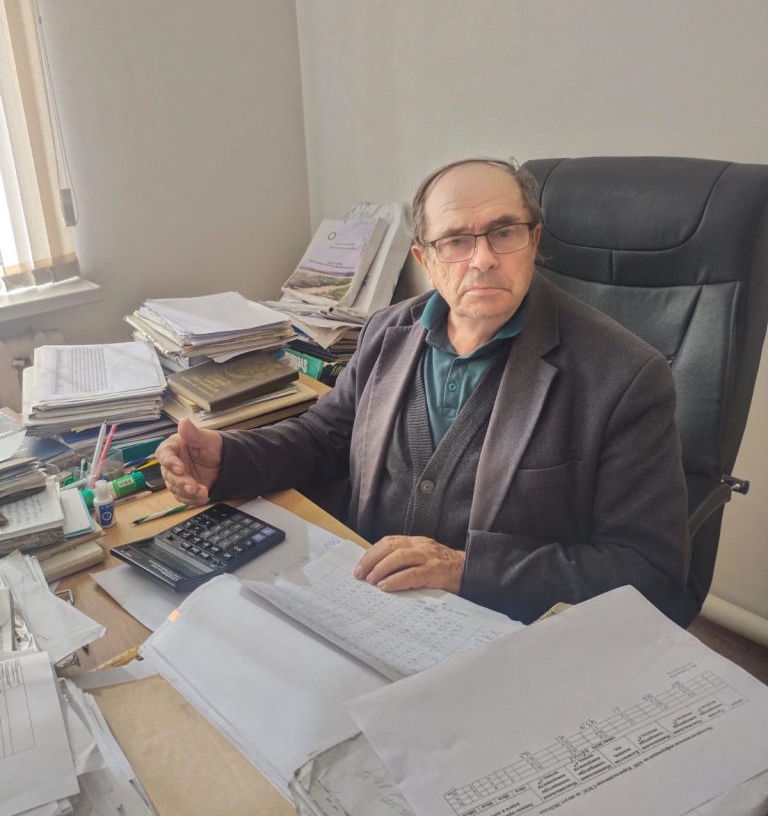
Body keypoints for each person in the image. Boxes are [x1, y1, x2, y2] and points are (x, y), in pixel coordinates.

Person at [157, 157, 689, 623]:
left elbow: (649, 571)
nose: (482, 259)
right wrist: (229, 459)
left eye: (504, 232)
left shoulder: (624, 377)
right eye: (456, 241)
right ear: (424, 260)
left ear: (534, 241)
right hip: (362, 595)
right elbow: (325, 438)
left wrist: (464, 568)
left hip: (503, 626)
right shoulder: (387, 332)